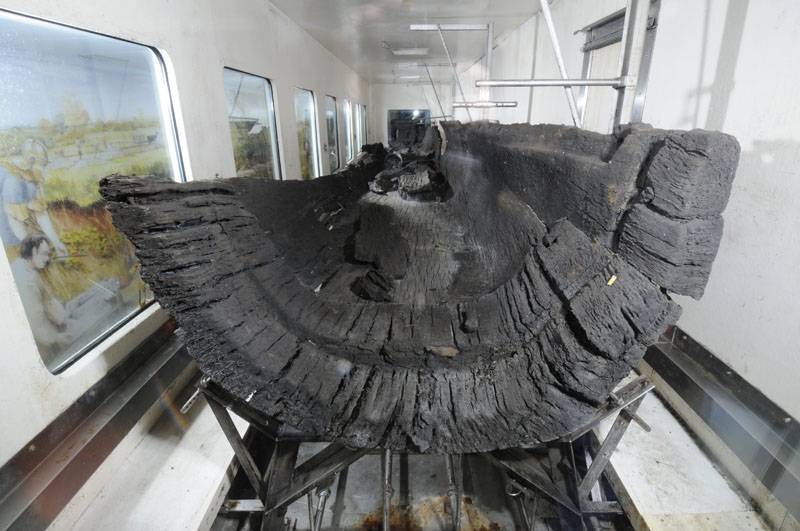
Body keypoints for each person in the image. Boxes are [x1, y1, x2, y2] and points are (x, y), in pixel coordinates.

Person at [0, 138, 68, 255]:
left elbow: (41, 214)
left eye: (44, 164)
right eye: (41, 164)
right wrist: (32, 248)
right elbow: (15, 220)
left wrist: (56, 242)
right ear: (30, 161)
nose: (43, 170)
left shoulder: (33, 180)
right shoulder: (12, 181)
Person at [10, 235, 73, 355]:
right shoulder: (25, 278)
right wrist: (54, 338)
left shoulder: (26, 267)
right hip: (37, 342)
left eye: (49, 254)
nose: (47, 258)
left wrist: (63, 318)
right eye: (45, 254)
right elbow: (35, 317)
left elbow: (47, 302)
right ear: (34, 251)